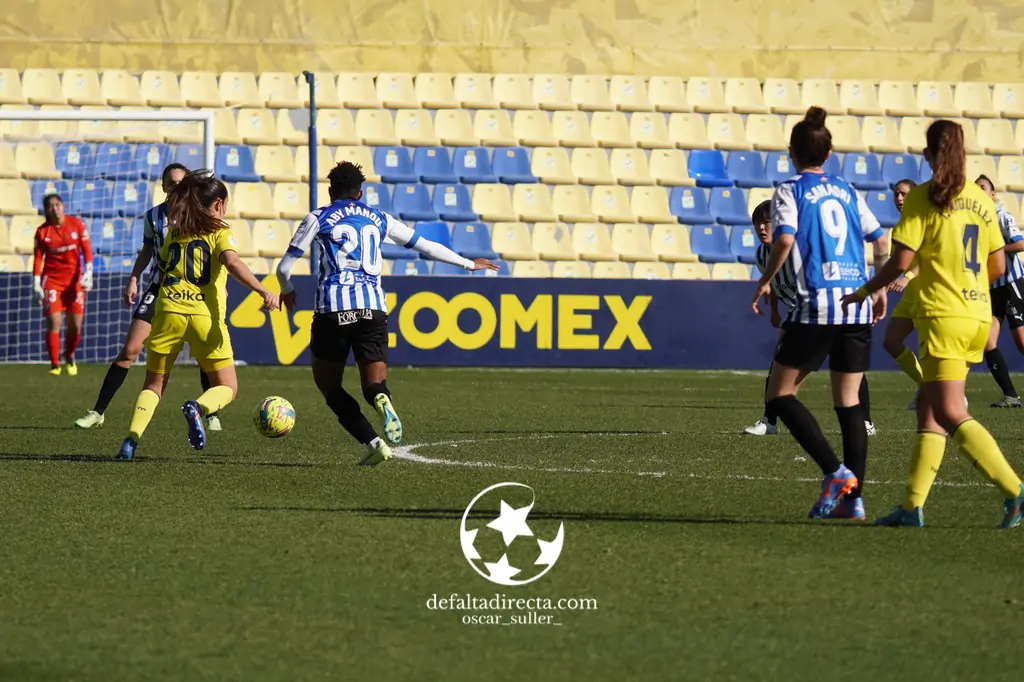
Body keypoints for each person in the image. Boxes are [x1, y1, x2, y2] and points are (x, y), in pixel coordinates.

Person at [843, 120, 1024, 528]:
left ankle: (1015, 490)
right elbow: (997, 264)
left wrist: (862, 291)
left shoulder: (926, 196)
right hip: (976, 314)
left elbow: (901, 261)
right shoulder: (980, 197)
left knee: (948, 410)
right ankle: (912, 507)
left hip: (944, 313)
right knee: (929, 407)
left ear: (927, 155)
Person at [277, 161, 498, 466]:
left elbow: (284, 267)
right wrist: (468, 264)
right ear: (361, 193)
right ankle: (382, 399)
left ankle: (374, 442)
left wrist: (286, 289)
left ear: (330, 192)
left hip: (334, 309)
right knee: (372, 385)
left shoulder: (319, 216)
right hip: (373, 309)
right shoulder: (379, 217)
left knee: (330, 387)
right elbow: (425, 246)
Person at [750, 106, 889, 520]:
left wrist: (765, 281)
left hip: (817, 305)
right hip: (857, 302)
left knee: (779, 393)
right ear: (828, 155)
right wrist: (878, 288)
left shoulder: (789, 190)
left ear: (791, 153)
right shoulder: (847, 190)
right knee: (849, 402)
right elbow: (881, 242)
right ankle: (854, 501)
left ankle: (833, 472)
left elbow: (785, 240)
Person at [116, 170, 278, 460]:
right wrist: (261, 289)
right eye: (225, 204)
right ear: (217, 205)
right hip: (203, 316)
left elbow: (163, 266)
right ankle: (199, 408)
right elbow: (232, 262)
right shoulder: (219, 231)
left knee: (153, 385)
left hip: (168, 310)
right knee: (227, 386)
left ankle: (130, 441)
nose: (225, 209)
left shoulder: (176, 232)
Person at [74, 164, 224, 431]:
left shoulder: (198, 214)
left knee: (204, 353)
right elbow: (147, 250)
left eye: (181, 183)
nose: (176, 187)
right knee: (130, 350)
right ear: (164, 186)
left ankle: (209, 413)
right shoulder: (154, 217)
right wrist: (134, 277)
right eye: (171, 183)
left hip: (195, 293)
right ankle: (98, 411)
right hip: (159, 289)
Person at [745, 197, 878, 437]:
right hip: (799, 312)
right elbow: (773, 282)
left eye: (766, 222)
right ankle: (770, 421)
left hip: (822, 310)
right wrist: (775, 311)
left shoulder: (799, 249)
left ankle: (865, 422)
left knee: (847, 366)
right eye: (757, 223)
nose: (761, 228)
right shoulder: (762, 254)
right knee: (779, 363)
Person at [975, 174, 1024, 407]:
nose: (979, 191)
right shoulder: (973, 224)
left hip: (1012, 285)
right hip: (991, 288)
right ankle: (1011, 396)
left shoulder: (1001, 216)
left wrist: (997, 250)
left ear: (993, 194)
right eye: (976, 189)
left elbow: (1021, 242)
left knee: (1022, 344)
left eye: (983, 187)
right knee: (987, 342)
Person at [32, 194, 93, 376]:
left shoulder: (77, 224)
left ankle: (69, 355)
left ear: (63, 206)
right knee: (55, 322)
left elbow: (87, 250)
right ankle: (54, 364)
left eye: (57, 204)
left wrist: (89, 272)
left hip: (74, 282)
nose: (55, 209)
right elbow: (37, 259)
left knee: (75, 325)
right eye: (50, 206)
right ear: (46, 210)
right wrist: (36, 283)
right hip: (52, 281)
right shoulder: (43, 231)